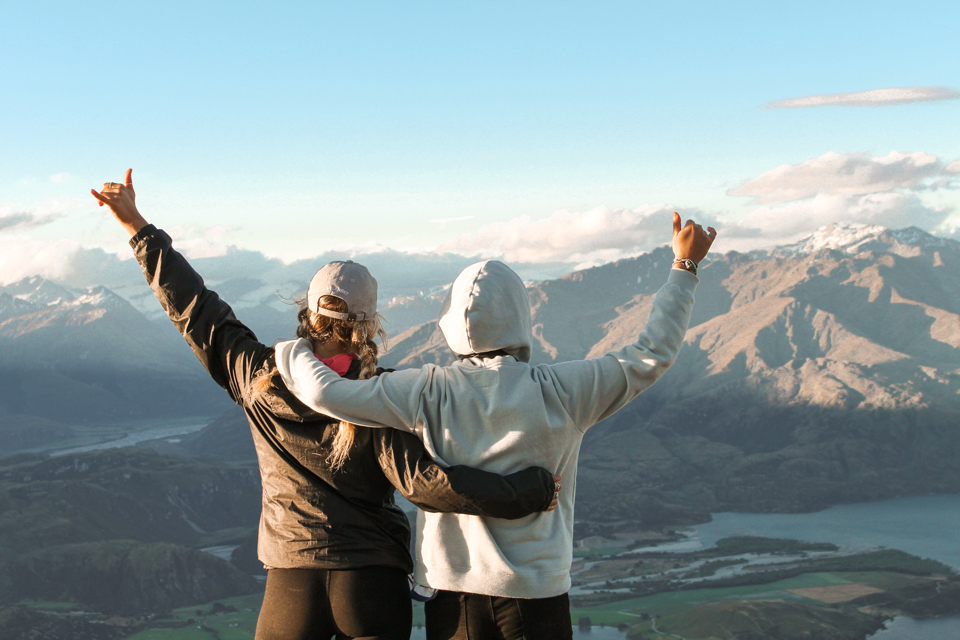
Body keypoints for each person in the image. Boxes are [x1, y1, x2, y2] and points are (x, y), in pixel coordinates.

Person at [91, 170, 560, 640]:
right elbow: (426, 485)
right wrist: (530, 491)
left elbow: (194, 308)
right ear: (370, 324)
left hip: (290, 583)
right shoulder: (378, 396)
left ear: (306, 311)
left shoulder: (256, 376)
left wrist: (137, 227)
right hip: (372, 584)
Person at [274, 211, 716, 639]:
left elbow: (325, 393)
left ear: (448, 324)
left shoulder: (427, 391)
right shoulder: (563, 391)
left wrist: (291, 350)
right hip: (537, 597)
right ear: (521, 316)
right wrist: (685, 266)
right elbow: (650, 354)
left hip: (452, 598)